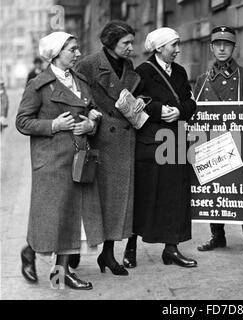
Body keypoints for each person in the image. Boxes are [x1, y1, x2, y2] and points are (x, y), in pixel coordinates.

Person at [16, 31, 104, 290]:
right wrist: (53, 124)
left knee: (71, 214)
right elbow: (23, 121)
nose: (78, 54)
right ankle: (32, 253)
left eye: (77, 49)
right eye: (72, 49)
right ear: (56, 53)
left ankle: (60, 272)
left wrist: (91, 124)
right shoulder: (39, 85)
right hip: (51, 160)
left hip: (79, 156)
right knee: (52, 216)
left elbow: (92, 110)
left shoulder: (80, 81)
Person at [122, 27, 197, 268]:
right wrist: (158, 111)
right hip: (151, 142)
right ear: (158, 48)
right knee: (144, 194)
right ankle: (130, 247)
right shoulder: (142, 71)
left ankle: (172, 249)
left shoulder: (181, 72)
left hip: (175, 141)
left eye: (178, 44)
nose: (177, 50)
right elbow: (132, 103)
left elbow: (190, 102)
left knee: (176, 194)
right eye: (173, 45)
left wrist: (179, 111)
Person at [193, 26, 243, 258]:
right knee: (213, 191)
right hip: (210, 146)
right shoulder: (202, 80)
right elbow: (194, 114)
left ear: (234, 47)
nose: (222, 48)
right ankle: (218, 235)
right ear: (211, 48)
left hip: (240, 146)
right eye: (218, 44)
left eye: (227, 44)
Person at [76, 20, 144, 275]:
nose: (130, 48)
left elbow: (133, 93)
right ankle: (71, 254)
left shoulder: (127, 65)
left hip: (123, 140)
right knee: (92, 201)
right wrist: (91, 114)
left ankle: (108, 254)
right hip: (98, 140)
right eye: (126, 43)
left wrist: (139, 103)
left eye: (131, 42)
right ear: (111, 42)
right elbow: (77, 99)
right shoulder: (88, 65)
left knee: (118, 202)